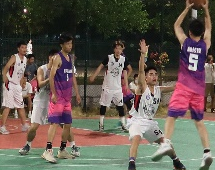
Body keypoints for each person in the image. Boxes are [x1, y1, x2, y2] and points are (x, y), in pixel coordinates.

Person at [162, 0, 214, 170]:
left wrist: (186, 8)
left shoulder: (185, 42)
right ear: (201, 32)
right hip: (199, 89)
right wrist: (206, 9)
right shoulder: (205, 45)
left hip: (184, 86)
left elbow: (176, 26)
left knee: (171, 115)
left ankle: (166, 142)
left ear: (190, 32)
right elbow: (209, 27)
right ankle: (207, 152)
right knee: (199, 121)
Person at [128, 39, 187, 170]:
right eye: (151, 74)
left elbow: (176, 86)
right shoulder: (141, 88)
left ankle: (176, 162)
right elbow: (141, 71)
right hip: (136, 121)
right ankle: (131, 165)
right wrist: (143, 55)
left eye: (155, 74)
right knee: (136, 138)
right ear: (145, 78)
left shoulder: (159, 89)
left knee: (165, 142)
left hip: (150, 123)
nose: (154, 76)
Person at [40, 34, 81, 162]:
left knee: (67, 124)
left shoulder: (70, 58)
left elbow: (72, 77)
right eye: (68, 44)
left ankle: (62, 150)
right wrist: (54, 93)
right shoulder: (57, 58)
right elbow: (51, 77)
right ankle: (48, 151)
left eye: (71, 43)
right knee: (54, 123)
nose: (70, 46)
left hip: (67, 98)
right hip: (58, 98)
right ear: (62, 45)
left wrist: (77, 93)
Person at [89, 40, 132, 133]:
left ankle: (123, 124)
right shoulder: (109, 58)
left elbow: (125, 71)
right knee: (104, 106)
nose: (118, 50)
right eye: (117, 48)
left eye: (120, 48)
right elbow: (100, 66)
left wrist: (126, 83)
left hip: (118, 88)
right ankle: (101, 124)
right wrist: (93, 76)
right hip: (108, 87)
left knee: (120, 106)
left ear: (122, 50)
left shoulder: (124, 59)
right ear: (114, 49)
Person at [19, 49, 55, 156]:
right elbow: (40, 83)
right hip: (40, 100)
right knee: (33, 127)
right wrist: (50, 78)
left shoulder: (59, 70)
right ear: (49, 57)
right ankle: (28, 144)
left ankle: (70, 146)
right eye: (54, 57)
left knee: (64, 124)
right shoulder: (42, 69)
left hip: (53, 101)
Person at [0, 41, 29, 133]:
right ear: (18, 49)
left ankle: (24, 125)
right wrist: (4, 77)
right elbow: (6, 67)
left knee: (20, 105)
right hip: (10, 84)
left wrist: (22, 82)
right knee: (8, 106)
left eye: (25, 47)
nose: (24, 49)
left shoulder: (25, 59)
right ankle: (2, 127)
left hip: (17, 85)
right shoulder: (14, 57)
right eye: (22, 47)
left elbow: (22, 72)